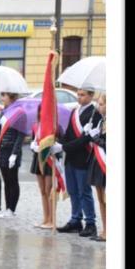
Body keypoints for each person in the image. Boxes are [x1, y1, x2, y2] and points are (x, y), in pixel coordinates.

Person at [56, 89, 103, 238]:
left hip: (83, 158)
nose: (79, 97)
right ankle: (76, 220)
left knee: (84, 192)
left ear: (91, 96)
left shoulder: (95, 114)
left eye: (83, 95)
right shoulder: (74, 111)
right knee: (73, 191)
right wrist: (58, 142)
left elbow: (85, 140)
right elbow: (70, 133)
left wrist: (64, 147)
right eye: (78, 94)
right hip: (70, 157)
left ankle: (90, 223)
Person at [0, 92, 26, 219]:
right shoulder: (3, 111)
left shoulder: (20, 113)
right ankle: (6, 208)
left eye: (4, 96)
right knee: (6, 180)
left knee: (12, 180)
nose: (2, 99)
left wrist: (15, 153)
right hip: (2, 148)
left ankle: (12, 209)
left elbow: (20, 134)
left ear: (11, 97)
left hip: (12, 150)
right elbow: (1, 132)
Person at [29, 104, 62, 229]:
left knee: (49, 190)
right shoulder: (35, 126)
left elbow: (61, 145)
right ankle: (46, 218)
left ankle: (52, 219)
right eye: (40, 111)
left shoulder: (56, 127)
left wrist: (55, 147)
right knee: (42, 190)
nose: (42, 113)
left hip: (50, 161)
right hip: (38, 160)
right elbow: (33, 142)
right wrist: (34, 147)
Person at [86, 93, 106, 242]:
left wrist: (95, 138)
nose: (99, 107)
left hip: (106, 163)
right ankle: (105, 230)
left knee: (107, 199)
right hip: (97, 163)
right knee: (100, 198)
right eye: (99, 104)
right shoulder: (101, 122)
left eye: (102, 104)